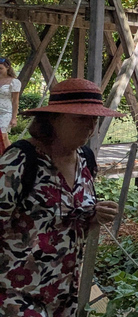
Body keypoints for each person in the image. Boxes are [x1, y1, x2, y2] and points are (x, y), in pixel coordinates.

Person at [0, 78, 122, 316]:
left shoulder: (85, 159)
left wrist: (94, 215)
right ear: (53, 120)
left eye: (94, 120)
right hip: (15, 294)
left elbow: (63, 219)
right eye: (81, 119)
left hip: (64, 293)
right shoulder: (20, 161)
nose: (90, 128)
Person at [0, 57, 21, 154]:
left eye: (1, 68)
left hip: (6, 112)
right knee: (3, 138)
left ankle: (8, 156)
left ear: (7, 68)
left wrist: (14, 118)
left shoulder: (14, 82)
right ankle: (11, 155)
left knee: (3, 135)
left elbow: (15, 101)